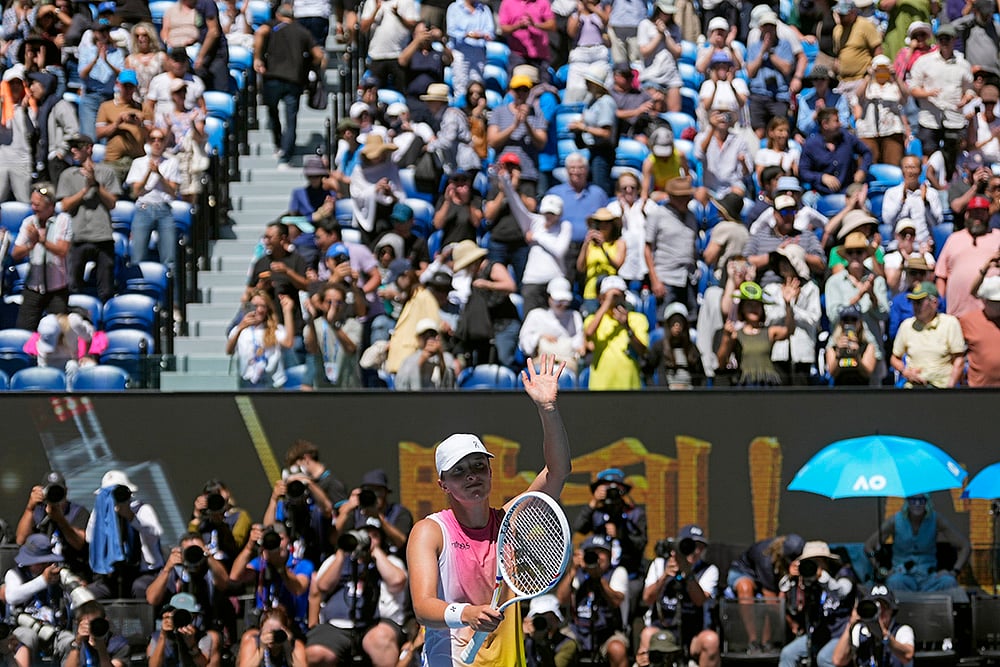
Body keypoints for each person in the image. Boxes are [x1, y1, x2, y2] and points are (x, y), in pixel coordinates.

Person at [406, 356, 571, 667]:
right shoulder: (430, 531)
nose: (472, 475)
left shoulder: (510, 521)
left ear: (490, 472)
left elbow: (558, 471)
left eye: (479, 466)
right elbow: (423, 608)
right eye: (459, 471)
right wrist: (467, 613)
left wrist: (547, 409)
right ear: (443, 484)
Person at [305, 522, 409, 667]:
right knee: (316, 653)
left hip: (375, 624)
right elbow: (323, 586)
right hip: (337, 624)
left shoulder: (390, 561)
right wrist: (342, 553)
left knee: (380, 641)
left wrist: (375, 551)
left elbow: (397, 581)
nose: (367, 538)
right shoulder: (336, 560)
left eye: (374, 536)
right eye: (363, 534)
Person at [254, 4, 325, 170]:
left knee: (272, 113)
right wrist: (309, 66)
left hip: (272, 78)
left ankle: (279, 144)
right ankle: (286, 155)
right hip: (294, 80)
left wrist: (257, 58)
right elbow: (318, 55)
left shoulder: (273, 26)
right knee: (291, 120)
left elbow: (260, 32)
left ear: (278, 15)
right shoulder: (303, 32)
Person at [637, 525, 720, 667]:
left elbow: (700, 601)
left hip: (692, 634)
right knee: (647, 634)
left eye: (700, 547)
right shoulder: (659, 564)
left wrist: (689, 574)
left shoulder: (708, 570)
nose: (695, 551)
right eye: (691, 545)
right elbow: (647, 599)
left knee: (711, 640)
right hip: (662, 629)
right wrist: (665, 576)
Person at [57, 133, 121, 303]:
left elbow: (112, 203)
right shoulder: (68, 175)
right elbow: (65, 206)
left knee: (106, 288)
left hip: (102, 236)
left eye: (77, 146)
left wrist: (96, 185)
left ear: (89, 148)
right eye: (71, 147)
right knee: (73, 286)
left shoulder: (107, 172)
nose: (73, 150)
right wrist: (85, 190)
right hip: (78, 236)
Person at [85, 469, 165, 600]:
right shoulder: (101, 514)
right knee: (87, 595)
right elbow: (89, 538)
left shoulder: (142, 509)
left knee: (139, 588)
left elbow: (155, 533)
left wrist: (131, 516)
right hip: (115, 575)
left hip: (144, 572)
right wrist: (100, 512)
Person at [864, 494, 970, 591]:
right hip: (902, 577)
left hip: (929, 578)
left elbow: (965, 546)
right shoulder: (895, 520)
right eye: (913, 500)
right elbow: (869, 547)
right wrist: (882, 571)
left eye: (921, 500)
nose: (917, 504)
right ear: (907, 502)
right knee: (894, 582)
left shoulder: (936, 519)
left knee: (949, 581)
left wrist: (954, 571)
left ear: (927, 502)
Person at [908, 23, 973, 178]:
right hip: (930, 117)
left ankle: (949, 182)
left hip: (954, 117)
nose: (944, 42)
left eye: (947, 38)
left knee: (952, 154)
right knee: (929, 153)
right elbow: (913, 88)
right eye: (941, 38)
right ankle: (928, 183)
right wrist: (928, 93)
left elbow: (969, 89)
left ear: (954, 40)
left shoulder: (963, 64)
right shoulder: (924, 61)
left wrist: (965, 99)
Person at [556, 534, 629, 667]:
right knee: (561, 645)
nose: (597, 556)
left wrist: (598, 577)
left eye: (601, 552)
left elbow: (616, 601)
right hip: (577, 630)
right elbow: (561, 599)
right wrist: (573, 570)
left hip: (607, 632)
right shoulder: (578, 574)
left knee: (617, 649)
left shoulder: (617, 572)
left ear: (610, 556)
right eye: (592, 552)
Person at [779, 542, 856, 667]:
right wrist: (791, 577)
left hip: (842, 633)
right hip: (820, 633)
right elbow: (791, 602)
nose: (813, 565)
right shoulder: (807, 579)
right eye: (809, 562)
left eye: (816, 561)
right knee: (788, 653)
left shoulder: (843, 573)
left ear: (825, 560)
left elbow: (842, 591)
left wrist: (822, 577)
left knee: (824, 658)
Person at [4, 534, 77, 664]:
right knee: (28, 637)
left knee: (71, 642)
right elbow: (12, 597)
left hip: (54, 630)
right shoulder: (14, 574)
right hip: (24, 628)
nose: (43, 565)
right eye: (39, 562)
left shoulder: (57, 575)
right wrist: (43, 580)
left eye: (45, 562)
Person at [726, 535, 804, 653]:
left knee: (770, 600)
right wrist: (791, 623)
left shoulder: (784, 558)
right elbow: (771, 601)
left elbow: (780, 595)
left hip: (766, 580)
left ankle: (766, 643)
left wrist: (790, 578)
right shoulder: (766, 558)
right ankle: (753, 642)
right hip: (743, 572)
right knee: (747, 588)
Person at [11, 183, 73, 331]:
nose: (33, 207)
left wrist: (41, 241)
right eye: (32, 203)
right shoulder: (29, 222)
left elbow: (62, 250)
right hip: (33, 288)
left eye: (37, 205)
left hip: (57, 289)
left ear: (50, 205)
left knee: (59, 333)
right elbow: (16, 253)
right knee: (24, 331)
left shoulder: (63, 220)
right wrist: (31, 245)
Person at [717, 281, 797, 386]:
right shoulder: (736, 334)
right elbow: (721, 362)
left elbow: (789, 330)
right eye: (749, 305)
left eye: (757, 305)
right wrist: (726, 337)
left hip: (768, 383)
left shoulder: (769, 332)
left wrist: (788, 304)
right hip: (746, 384)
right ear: (742, 308)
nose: (753, 308)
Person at [890, 281, 967, 388]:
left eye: (919, 302)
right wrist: (905, 371)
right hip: (913, 388)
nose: (915, 306)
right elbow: (894, 358)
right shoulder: (907, 325)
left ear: (934, 303)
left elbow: (959, 360)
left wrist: (950, 388)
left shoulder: (950, 323)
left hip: (941, 388)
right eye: (913, 302)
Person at [15, 471, 90, 578]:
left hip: (71, 571)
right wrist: (30, 509)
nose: (54, 495)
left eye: (58, 491)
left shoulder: (77, 512)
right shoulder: (37, 512)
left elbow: (79, 543)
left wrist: (61, 520)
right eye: (50, 491)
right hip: (41, 573)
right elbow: (21, 540)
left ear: (66, 492)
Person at [936, 195, 1000, 318]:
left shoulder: (998, 237)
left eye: (981, 212)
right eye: (974, 212)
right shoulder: (954, 238)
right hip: (957, 314)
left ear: (988, 215)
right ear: (966, 215)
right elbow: (941, 275)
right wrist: (940, 305)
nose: (978, 217)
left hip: (992, 316)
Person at [126, 128, 180, 267]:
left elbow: (173, 192)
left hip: (164, 209)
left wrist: (158, 174)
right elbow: (136, 191)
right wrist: (149, 172)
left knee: (170, 258)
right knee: (138, 256)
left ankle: (169, 281)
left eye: (160, 139)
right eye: (153, 139)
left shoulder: (172, 162)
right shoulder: (138, 162)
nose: (157, 143)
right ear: (148, 142)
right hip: (144, 208)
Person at [645, 177, 698, 317]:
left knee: (690, 319)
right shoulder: (657, 214)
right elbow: (647, 249)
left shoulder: (691, 216)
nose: (684, 200)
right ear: (671, 197)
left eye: (686, 197)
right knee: (664, 319)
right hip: (666, 277)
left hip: (688, 278)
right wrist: (655, 280)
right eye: (680, 197)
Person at [831, 584, 915, 667]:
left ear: (892, 610)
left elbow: (907, 656)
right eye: (875, 607)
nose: (880, 612)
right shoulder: (858, 630)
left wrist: (885, 636)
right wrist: (851, 624)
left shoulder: (902, 630)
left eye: (884, 607)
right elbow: (838, 660)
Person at [799, 108, 873, 198]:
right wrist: (822, 177)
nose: (840, 124)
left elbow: (867, 152)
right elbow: (803, 172)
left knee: (864, 201)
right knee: (807, 199)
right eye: (836, 121)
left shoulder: (847, 138)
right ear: (825, 124)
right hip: (821, 193)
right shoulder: (811, 144)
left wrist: (862, 170)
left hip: (848, 190)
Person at [519, 277, 585, 373]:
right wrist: (540, 337)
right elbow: (525, 345)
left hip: (567, 367)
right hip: (541, 366)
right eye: (558, 300)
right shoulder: (536, 315)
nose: (561, 305)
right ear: (549, 297)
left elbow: (578, 345)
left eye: (565, 301)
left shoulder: (574, 316)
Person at [96, 69, 149, 186]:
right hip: (114, 160)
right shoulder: (106, 106)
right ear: (118, 84)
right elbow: (99, 133)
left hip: (137, 160)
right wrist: (117, 123)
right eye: (125, 86)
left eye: (131, 86)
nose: (128, 89)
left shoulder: (143, 108)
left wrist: (139, 124)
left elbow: (152, 134)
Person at [881, 156, 943, 250]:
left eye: (913, 167)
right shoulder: (891, 193)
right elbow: (888, 221)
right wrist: (901, 201)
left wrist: (926, 203)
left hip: (923, 247)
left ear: (920, 170)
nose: (910, 171)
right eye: (906, 167)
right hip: (898, 248)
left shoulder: (931, 194)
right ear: (902, 170)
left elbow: (936, 223)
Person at [395, 318, 459, 389]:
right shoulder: (410, 361)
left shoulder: (447, 358)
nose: (429, 340)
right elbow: (401, 386)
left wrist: (440, 356)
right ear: (418, 338)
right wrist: (420, 362)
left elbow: (451, 385)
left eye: (432, 335)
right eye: (425, 336)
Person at [235, 606, 308, 667]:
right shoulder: (253, 643)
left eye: (275, 631)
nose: (271, 635)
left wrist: (288, 648)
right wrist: (262, 649)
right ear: (261, 629)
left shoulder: (296, 646)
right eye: (267, 631)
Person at [826, 305, 879, 385]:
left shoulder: (867, 346)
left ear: (860, 322)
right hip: (840, 388)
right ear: (840, 323)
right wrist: (838, 355)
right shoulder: (833, 347)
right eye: (846, 320)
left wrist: (857, 356)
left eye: (853, 319)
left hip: (861, 388)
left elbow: (867, 373)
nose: (849, 323)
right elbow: (832, 373)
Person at [522, 594, 578, 667]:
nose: (544, 622)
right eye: (539, 617)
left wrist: (543, 644)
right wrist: (523, 636)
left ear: (557, 620)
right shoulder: (526, 641)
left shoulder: (567, 644)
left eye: (549, 618)